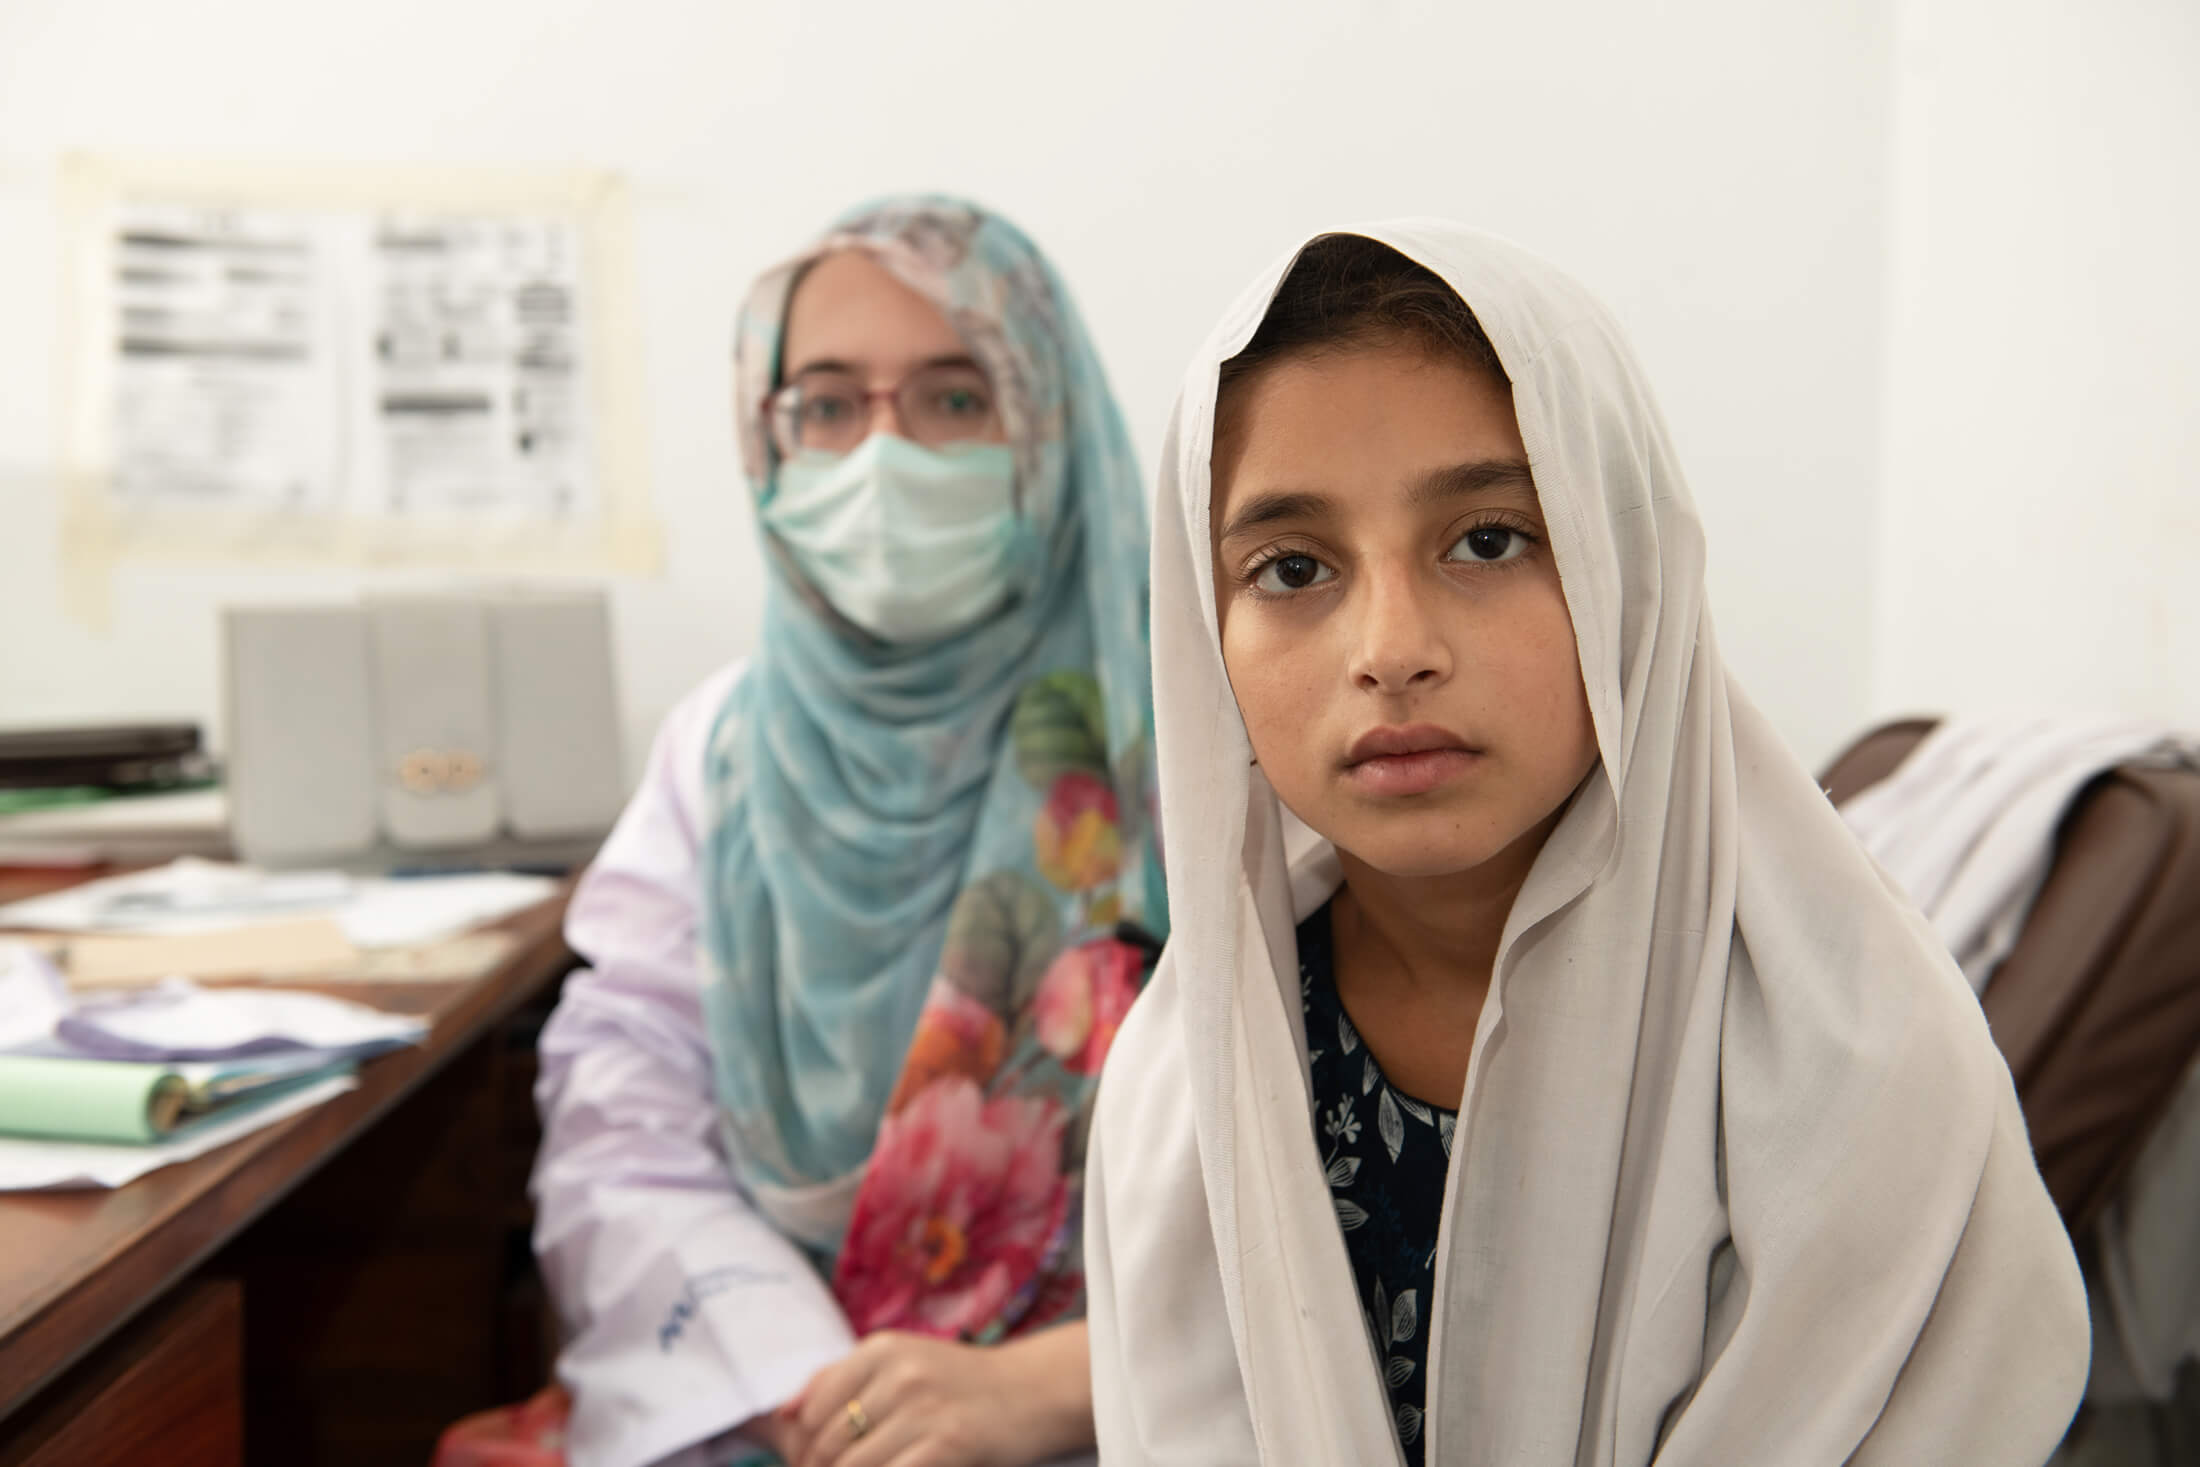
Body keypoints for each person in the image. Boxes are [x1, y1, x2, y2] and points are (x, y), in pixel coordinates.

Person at [1082, 223, 2091, 1465]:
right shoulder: (1187, 1083)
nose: (1390, 647)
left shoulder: (1857, 1069)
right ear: (1204, 632)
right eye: (1292, 567)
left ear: (1630, 574)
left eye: (1490, 540)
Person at [445, 196, 1162, 1467]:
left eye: (954, 398)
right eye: (827, 405)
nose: (881, 458)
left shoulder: (1198, 742)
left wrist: (1069, 1384)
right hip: (782, 1400)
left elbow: (1321, 1151)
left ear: (1047, 426)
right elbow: (629, 1097)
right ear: (766, 444)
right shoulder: (722, 751)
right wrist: (801, 1376)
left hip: (1135, 1399)